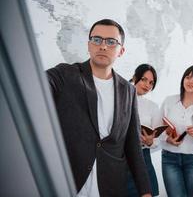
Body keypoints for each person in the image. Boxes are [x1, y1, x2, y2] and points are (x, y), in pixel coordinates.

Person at [47, 19, 152, 197]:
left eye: (111, 42)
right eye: (97, 39)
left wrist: (145, 191)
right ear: (89, 44)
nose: (103, 46)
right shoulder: (64, 75)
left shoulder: (128, 90)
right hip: (69, 181)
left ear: (121, 51)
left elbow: (133, 145)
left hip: (110, 184)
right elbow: (34, 85)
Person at [159, 65, 193, 197]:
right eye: (188, 77)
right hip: (169, 158)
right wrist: (167, 139)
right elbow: (158, 128)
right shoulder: (169, 101)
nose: (190, 81)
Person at [127, 64, 160, 196]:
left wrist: (150, 142)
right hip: (121, 159)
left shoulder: (152, 107)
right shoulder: (119, 99)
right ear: (135, 77)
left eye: (151, 82)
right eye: (144, 79)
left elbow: (157, 139)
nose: (147, 85)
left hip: (143, 158)